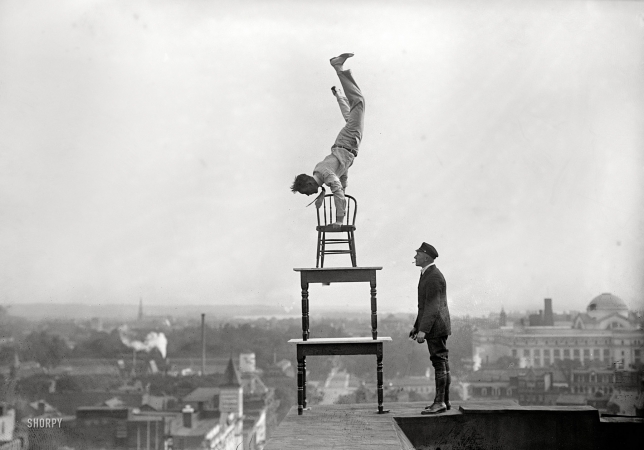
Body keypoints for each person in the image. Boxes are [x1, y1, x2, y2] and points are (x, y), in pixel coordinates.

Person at [290, 53, 365, 228]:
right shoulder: (325, 173)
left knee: (359, 102)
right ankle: (339, 94)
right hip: (348, 145)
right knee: (350, 115)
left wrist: (339, 220)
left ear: (309, 182)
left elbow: (337, 187)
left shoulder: (324, 173)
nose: (308, 195)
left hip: (348, 142)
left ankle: (338, 67)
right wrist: (343, 188)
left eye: (305, 192)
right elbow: (342, 174)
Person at [408, 242, 452, 414]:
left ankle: (439, 402)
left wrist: (423, 330)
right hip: (437, 325)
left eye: (417, 254)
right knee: (442, 363)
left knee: (439, 363)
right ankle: (444, 402)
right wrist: (416, 326)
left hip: (435, 327)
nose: (414, 257)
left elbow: (433, 307)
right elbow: (424, 305)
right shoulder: (428, 274)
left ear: (426, 257)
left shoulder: (433, 277)